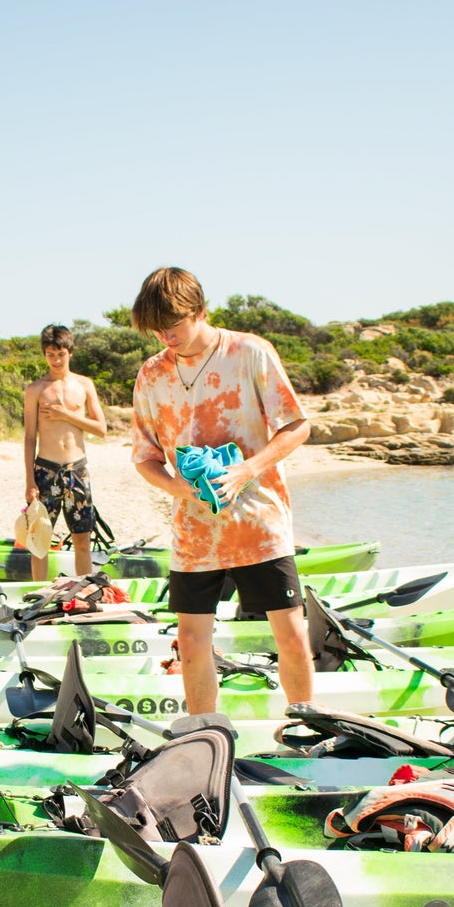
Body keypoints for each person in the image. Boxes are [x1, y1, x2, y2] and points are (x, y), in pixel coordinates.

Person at [130, 267, 314, 715]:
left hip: (259, 522)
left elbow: (297, 426)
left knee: (289, 632)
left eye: (171, 325)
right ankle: (203, 735)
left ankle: (308, 728)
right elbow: (144, 457)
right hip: (194, 531)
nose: (163, 337)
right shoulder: (151, 375)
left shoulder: (250, 352)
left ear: (200, 310)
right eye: (155, 329)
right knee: (191, 641)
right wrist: (178, 489)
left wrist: (246, 470)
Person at [22, 324, 107, 579]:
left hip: (77, 469)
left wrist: (65, 415)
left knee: (82, 539)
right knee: (39, 539)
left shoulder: (84, 385)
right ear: (45, 355)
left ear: (70, 352)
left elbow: (101, 428)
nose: (56, 360)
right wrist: (29, 481)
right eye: (50, 355)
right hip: (45, 470)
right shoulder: (35, 389)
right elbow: (29, 438)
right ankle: (38, 596)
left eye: (61, 354)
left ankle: (84, 590)